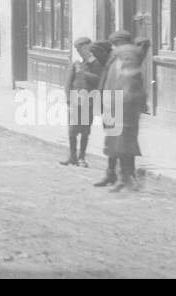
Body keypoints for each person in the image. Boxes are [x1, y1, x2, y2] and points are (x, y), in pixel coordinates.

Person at [96, 41, 146, 191]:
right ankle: (115, 175)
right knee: (115, 143)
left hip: (127, 112)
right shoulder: (115, 65)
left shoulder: (131, 68)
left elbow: (135, 91)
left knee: (124, 145)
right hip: (115, 108)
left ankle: (126, 179)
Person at [60, 37, 101, 166]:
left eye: (83, 49)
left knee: (85, 131)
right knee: (72, 130)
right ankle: (72, 156)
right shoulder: (76, 64)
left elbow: (99, 81)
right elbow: (68, 83)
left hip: (88, 102)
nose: (81, 52)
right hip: (74, 101)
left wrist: (85, 74)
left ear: (89, 48)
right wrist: (67, 99)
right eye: (78, 50)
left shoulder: (96, 64)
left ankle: (82, 157)